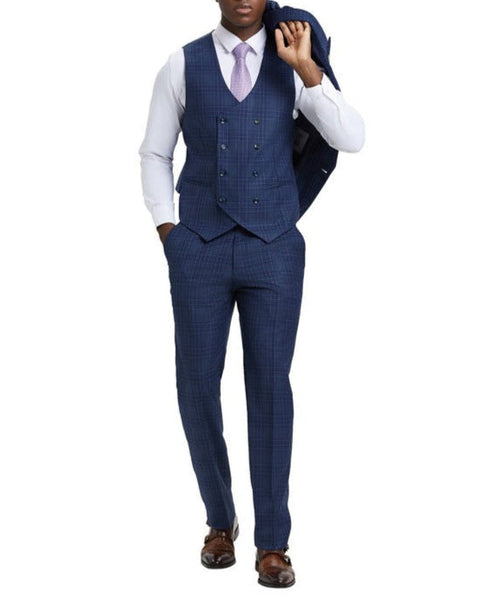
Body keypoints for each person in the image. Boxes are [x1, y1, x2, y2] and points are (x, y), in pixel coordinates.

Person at [138, 0, 364, 587]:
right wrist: (169, 232)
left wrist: (307, 69)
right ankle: (220, 520)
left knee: (269, 389)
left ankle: (273, 543)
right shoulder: (181, 64)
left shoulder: (294, 56)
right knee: (195, 387)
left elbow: (351, 137)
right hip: (199, 248)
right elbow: (155, 153)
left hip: (274, 249)